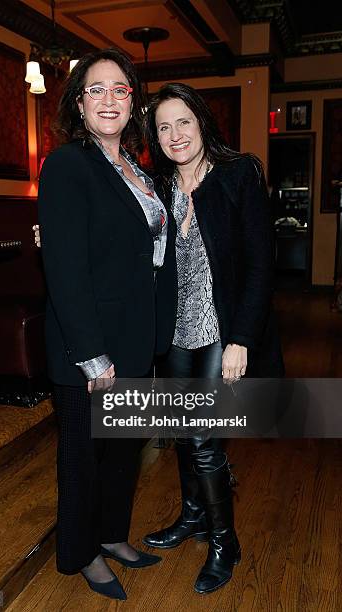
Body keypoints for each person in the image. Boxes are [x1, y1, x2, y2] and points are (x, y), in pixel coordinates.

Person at [37, 49, 176, 601]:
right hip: (91, 348)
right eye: (96, 89)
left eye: (121, 89)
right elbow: (65, 267)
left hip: (137, 338)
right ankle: (82, 553)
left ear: (133, 101)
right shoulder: (69, 164)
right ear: (77, 102)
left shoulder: (139, 170)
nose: (110, 99)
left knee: (123, 451)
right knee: (85, 458)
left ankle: (113, 535)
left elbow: (150, 251)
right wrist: (91, 354)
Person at [141, 83, 284, 595]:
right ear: (154, 137)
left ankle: (226, 540)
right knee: (182, 432)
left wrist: (243, 337)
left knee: (202, 437)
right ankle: (193, 516)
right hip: (175, 331)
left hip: (222, 331)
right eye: (163, 126)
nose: (175, 134)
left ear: (202, 121)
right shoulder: (156, 185)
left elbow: (260, 264)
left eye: (183, 122)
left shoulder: (238, 174)